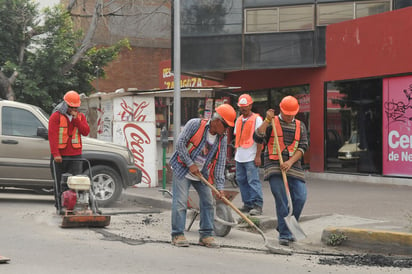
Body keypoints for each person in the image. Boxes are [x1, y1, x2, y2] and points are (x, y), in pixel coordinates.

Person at [169, 103, 236, 248]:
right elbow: (180, 144)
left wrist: (219, 187)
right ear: (218, 121)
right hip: (182, 168)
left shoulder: (222, 138)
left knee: (208, 202)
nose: (226, 130)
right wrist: (190, 164)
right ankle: (177, 234)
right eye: (226, 126)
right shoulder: (194, 124)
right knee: (180, 202)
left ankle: (206, 235)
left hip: (201, 173)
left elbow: (220, 162)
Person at [253, 95, 308, 246]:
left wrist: (290, 162)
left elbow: (303, 146)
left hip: (293, 165)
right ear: (281, 111)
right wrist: (266, 121)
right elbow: (257, 137)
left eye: (292, 114)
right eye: (287, 114)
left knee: (301, 197)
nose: (289, 117)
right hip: (274, 165)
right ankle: (284, 234)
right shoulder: (272, 122)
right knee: (282, 199)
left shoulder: (300, 125)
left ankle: (285, 225)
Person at [48, 90, 90, 214]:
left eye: (75, 107)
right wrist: (56, 153)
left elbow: (85, 131)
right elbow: (52, 136)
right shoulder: (56, 116)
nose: (73, 109)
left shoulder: (80, 117)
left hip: (75, 156)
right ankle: (60, 207)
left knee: (76, 183)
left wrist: (77, 120)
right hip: (59, 156)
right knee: (60, 182)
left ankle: (75, 206)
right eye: (71, 107)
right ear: (65, 104)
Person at [234, 94, 264, 216]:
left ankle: (257, 205)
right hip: (240, 156)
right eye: (241, 107)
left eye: (245, 106)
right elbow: (237, 138)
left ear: (251, 105)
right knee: (241, 180)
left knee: (253, 181)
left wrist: (258, 156)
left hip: (251, 156)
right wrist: (236, 154)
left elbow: (260, 139)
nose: (243, 109)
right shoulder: (239, 119)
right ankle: (248, 204)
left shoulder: (257, 119)